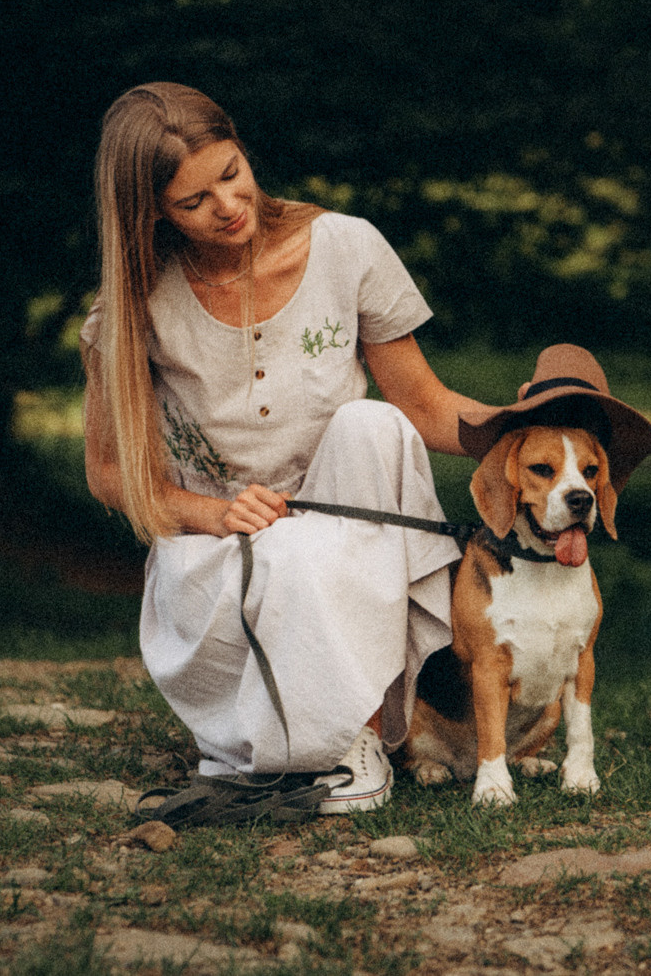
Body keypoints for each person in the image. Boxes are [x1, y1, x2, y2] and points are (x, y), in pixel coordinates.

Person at [78, 82, 484, 819]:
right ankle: (318, 744)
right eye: (193, 201)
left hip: (341, 521)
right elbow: (110, 473)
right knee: (292, 552)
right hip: (220, 547)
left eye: (231, 173)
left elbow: (423, 406)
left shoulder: (345, 244)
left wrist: (531, 425)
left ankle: (359, 735)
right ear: (152, 214)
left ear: (243, 148)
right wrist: (209, 509)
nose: (227, 205)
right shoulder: (132, 303)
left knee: (376, 427)